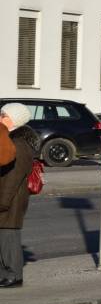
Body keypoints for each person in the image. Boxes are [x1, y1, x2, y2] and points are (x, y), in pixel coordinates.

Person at [0, 103, 41, 289]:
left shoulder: (19, 144)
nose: (0, 118)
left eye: (3, 115)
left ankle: (14, 276)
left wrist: (3, 201)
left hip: (12, 198)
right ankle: (4, 273)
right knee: (3, 237)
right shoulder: (9, 140)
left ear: (13, 119)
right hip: (7, 196)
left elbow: (13, 178)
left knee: (9, 237)